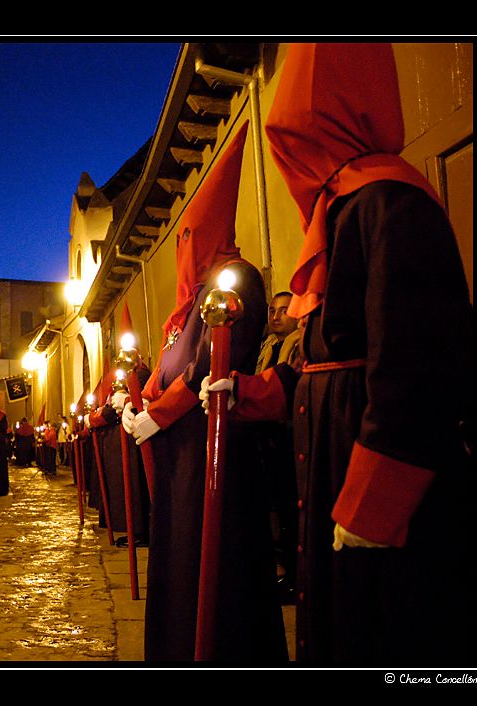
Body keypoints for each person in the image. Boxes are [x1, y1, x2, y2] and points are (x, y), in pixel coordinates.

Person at [206, 43, 477, 665]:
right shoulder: (341, 208)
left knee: (385, 632)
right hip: (331, 457)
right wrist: (252, 392)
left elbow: (417, 368)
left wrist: (374, 503)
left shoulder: (389, 202)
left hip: (367, 464)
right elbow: (319, 358)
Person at [122, 123, 285, 663]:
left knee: (217, 568)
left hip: (214, 454)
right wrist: (137, 403)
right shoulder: (190, 300)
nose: (183, 247)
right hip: (180, 459)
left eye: (190, 236)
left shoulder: (234, 282)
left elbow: (204, 368)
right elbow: (168, 363)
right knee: (179, 559)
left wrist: (161, 415)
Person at [255, 291, 302, 601]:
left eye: (284, 310)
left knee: (291, 506)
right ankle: (280, 568)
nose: (275, 316)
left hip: (291, 435)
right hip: (269, 437)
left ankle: (296, 575)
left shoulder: (298, 343)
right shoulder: (267, 347)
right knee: (273, 506)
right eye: (272, 310)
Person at [89, 363, 151, 548]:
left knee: (135, 486)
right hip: (118, 438)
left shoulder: (141, 374)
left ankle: (140, 531)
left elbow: (143, 399)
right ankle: (131, 529)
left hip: (133, 438)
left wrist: (124, 401)